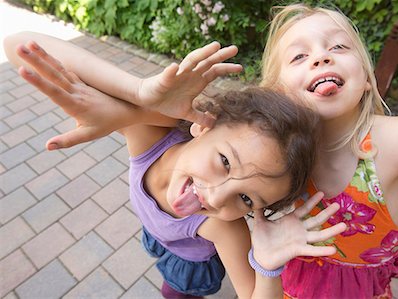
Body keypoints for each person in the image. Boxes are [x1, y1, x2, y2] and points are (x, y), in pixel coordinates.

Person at [4, 35, 346, 299]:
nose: (215, 196)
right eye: (225, 162)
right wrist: (138, 93)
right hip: (156, 235)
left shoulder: (221, 228)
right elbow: (17, 43)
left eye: (246, 200)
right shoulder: (147, 136)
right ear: (203, 125)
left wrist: (269, 267)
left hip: (189, 264)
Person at [257, 3, 398, 299]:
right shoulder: (273, 154)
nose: (322, 57)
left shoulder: (396, 140)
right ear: (277, 93)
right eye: (299, 56)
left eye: (338, 46)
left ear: (366, 78)